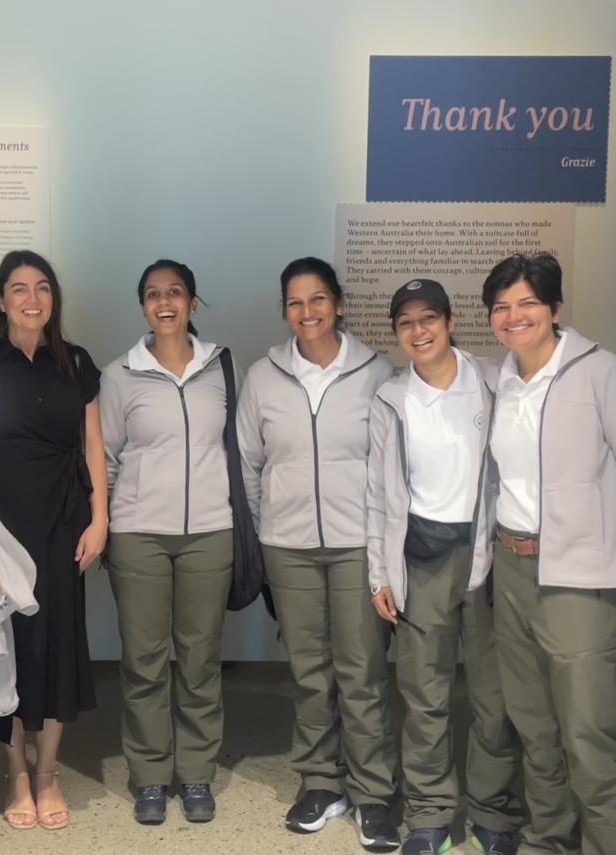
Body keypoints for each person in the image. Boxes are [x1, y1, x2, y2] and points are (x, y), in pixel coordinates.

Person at [478, 253, 616, 855]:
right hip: (512, 567)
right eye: (502, 307)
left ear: (555, 309)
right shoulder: (500, 380)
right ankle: (548, 838)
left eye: (528, 303)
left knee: (589, 733)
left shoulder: (604, 373)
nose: (514, 317)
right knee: (534, 724)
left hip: (583, 579)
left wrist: (607, 545)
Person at [236, 256, 399, 852]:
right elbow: (250, 466)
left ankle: (374, 793)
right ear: (285, 311)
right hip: (290, 547)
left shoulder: (378, 372)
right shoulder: (262, 377)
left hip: (359, 545)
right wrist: (265, 530)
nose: (308, 312)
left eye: (318, 299)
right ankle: (320, 782)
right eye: (296, 303)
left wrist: (384, 543)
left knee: (363, 671)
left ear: (339, 303)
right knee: (309, 672)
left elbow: (389, 467)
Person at [366, 279, 523, 855]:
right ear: (397, 334)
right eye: (405, 322)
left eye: (428, 317)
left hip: (489, 556)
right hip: (421, 560)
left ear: (451, 321)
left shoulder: (493, 381)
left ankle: (494, 814)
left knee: (493, 696)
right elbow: (376, 495)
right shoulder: (391, 399)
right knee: (424, 694)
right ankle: (429, 814)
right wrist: (378, 573)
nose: (418, 330)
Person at [0, 250, 107, 832]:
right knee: (10, 645)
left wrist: (100, 518)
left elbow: (94, 445)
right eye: (17, 288)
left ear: (54, 299)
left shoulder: (76, 361)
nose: (31, 298)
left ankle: (47, 772)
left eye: (42, 287)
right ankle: (15, 772)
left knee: (58, 642)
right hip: (0, 523)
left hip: (66, 521)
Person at [98, 259, 234, 825]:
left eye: (175, 292)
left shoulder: (221, 367)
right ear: (143, 307)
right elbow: (103, 459)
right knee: (145, 662)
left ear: (193, 303)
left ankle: (197, 772)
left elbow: (237, 448)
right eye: (153, 294)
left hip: (209, 532)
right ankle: (151, 776)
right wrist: (102, 527)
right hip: (138, 535)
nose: (165, 302)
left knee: (200, 659)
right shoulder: (119, 374)